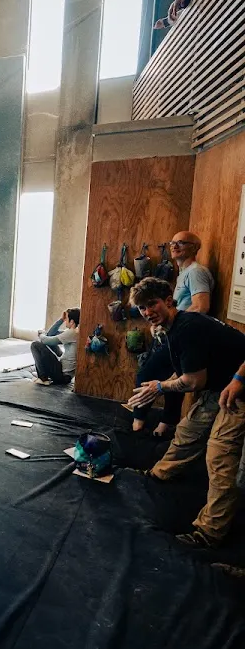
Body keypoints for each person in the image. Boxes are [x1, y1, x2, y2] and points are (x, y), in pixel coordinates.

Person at [127, 277, 245, 549]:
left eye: (152, 304)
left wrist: (160, 387)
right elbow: (184, 373)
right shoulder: (173, 328)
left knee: (220, 454)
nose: (148, 312)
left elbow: (193, 382)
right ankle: (161, 473)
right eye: (142, 308)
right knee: (188, 430)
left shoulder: (187, 327)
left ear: (168, 301)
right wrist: (162, 385)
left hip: (240, 389)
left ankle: (210, 532)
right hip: (220, 387)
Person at [131, 231, 214, 436]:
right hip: (171, 335)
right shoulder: (183, 273)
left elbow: (201, 306)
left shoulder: (196, 272)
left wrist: (171, 322)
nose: (175, 246)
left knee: (146, 374)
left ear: (194, 247)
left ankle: (138, 424)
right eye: (173, 243)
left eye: (182, 243)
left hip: (180, 336)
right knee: (170, 378)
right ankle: (164, 426)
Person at [30, 308, 80, 385]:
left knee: (35, 345)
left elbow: (47, 340)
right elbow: (51, 334)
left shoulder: (72, 333)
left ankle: (43, 378)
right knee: (51, 344)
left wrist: (41, 334)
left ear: (72, 321)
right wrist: (61, 319)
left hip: (62, 376)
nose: (65, 321)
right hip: (65, 374)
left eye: (66, 319)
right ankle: (44, 374)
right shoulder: (74, 332)